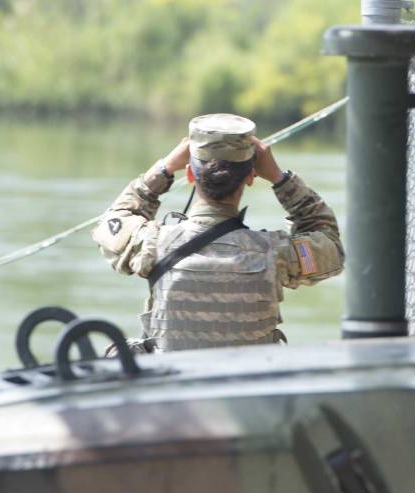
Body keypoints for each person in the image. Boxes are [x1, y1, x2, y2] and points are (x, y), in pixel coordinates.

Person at [93, 113, 343, 352]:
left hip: (171, 391)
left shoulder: (151, 243)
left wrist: (164, 169)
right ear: (251, 177)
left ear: (190, 173)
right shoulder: (277, 255)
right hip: (248, 392)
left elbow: (111, 222)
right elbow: (329, 242)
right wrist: (280, 179)